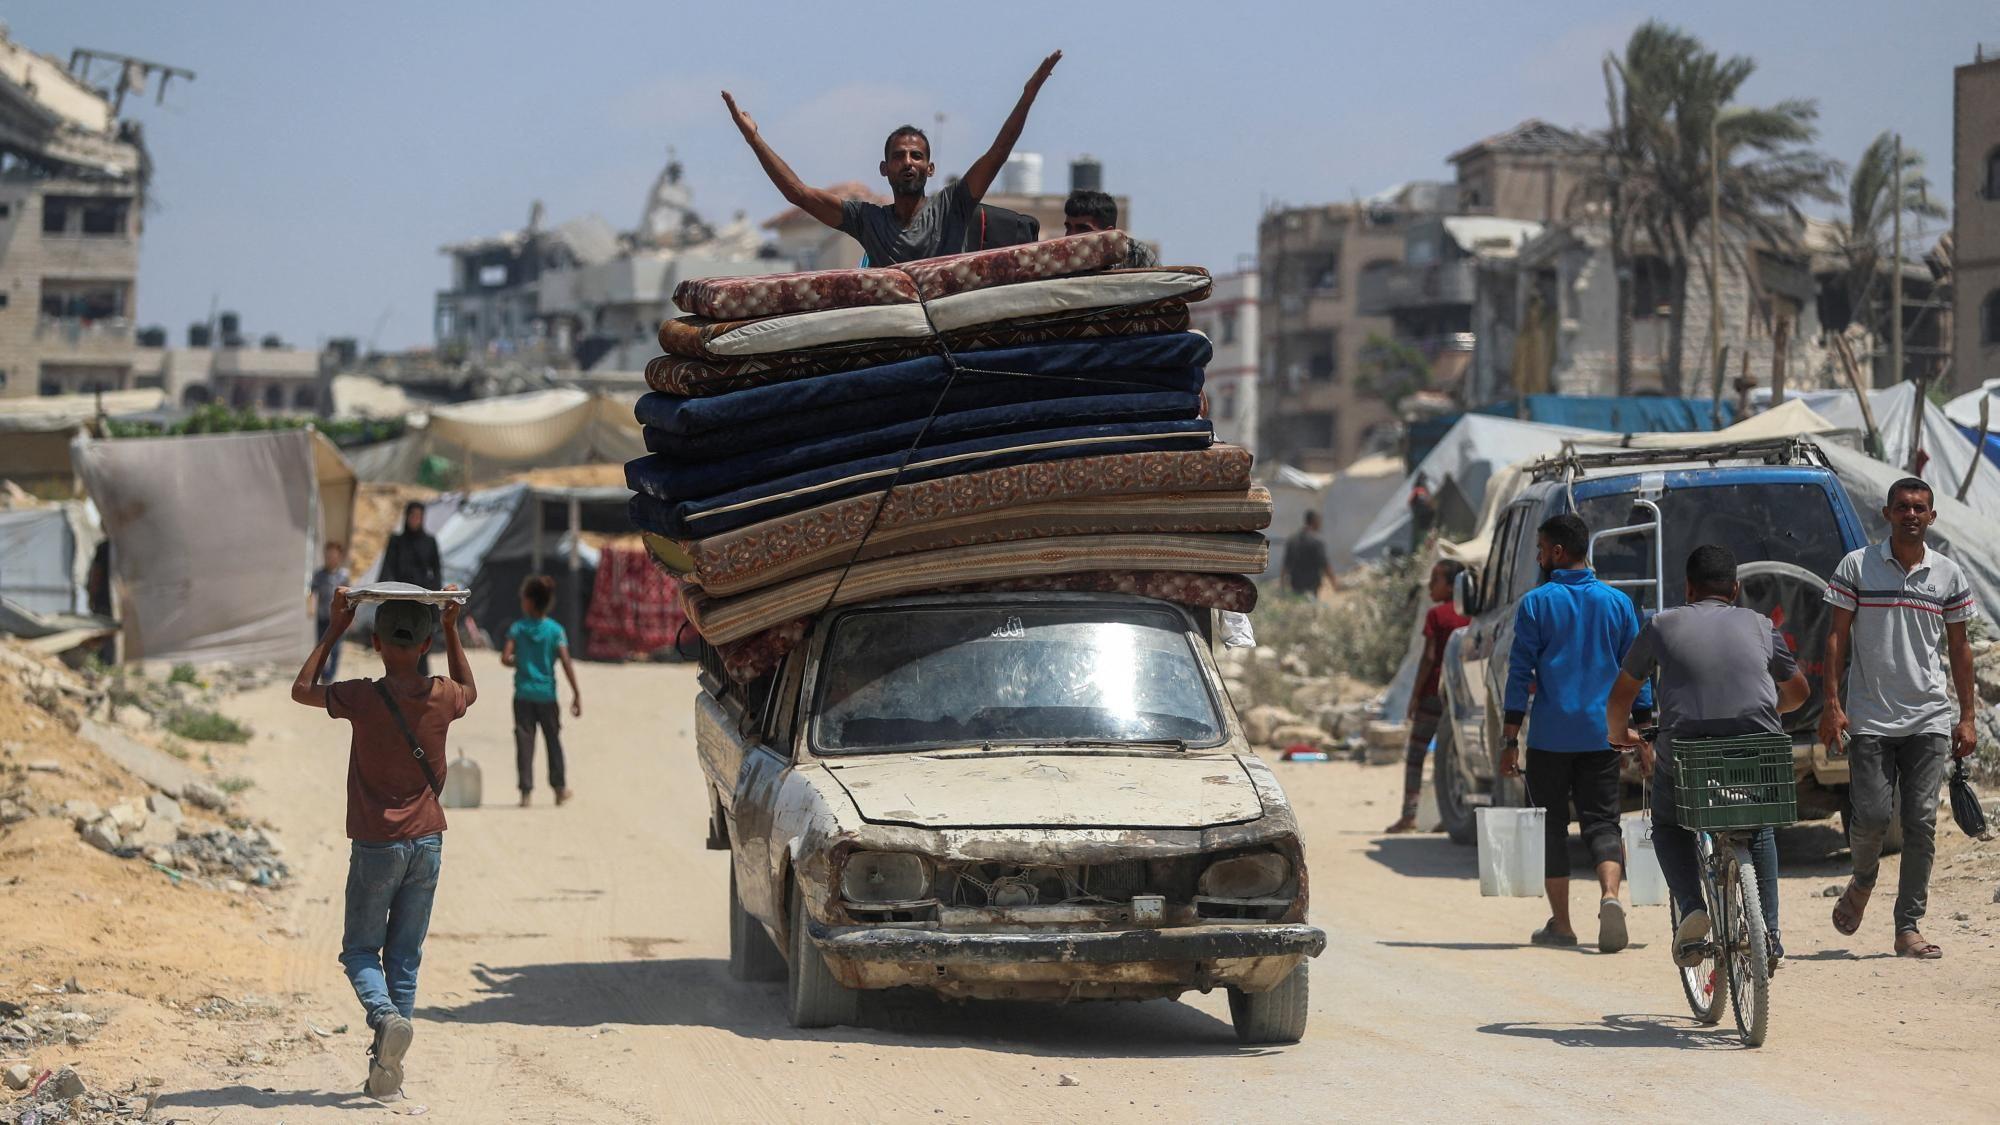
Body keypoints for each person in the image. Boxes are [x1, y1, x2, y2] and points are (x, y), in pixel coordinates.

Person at [290, 589, 476, 1100]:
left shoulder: (362, 696)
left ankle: (385, 1017)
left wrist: (332, 628)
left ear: (374, 643)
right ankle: (386, 1074)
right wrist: (455, 627)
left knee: (358, 951)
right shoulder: (442, 695)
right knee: (404, 960)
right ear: (425, 644)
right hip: (428, 843)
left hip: (376, 845)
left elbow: (302, 688)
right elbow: (470, 688)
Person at [1605, 545, 1810, 969]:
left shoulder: (1661, 624)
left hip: (1687, 748)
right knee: (1759, 825)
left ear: (1688, 587)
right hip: (1757, 744)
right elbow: (1799, 693)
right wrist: (1769, 710)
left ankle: (1691, 904)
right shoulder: (1759, 625)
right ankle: (1769, 932)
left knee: (1667, 824)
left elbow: (1621, 695)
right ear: (1735, 589)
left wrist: (1619, 735)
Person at [1820, 478, 1980, 959]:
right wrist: (1832, 703)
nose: (1911, 514)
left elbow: (1960, 647)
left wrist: (1967, 716)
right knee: (1869, 817)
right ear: (1887, 513)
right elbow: (1835, 639)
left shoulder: (1948, 575)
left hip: (1929, 717)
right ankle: (1864, 880)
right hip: (1869, 717)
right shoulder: (1857, 566)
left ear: (1932, 517)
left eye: (1920, 508)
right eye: (1903, 507)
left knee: (1922, 822)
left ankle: (1908, 926)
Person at [721, 51, 1062, 266]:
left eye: (917, 156)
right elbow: (798, 193)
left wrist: (1027, 97)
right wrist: (754, 138)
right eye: (899, 157)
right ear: (884, 169)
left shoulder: (952, 205)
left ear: (930, 168)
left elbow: (998, 152)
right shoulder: (866, 220)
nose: (908, 162)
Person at [1499, 513, 1649, 952]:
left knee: (1552, 828)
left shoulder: (1536, 604)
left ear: (1559, 552)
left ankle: (1562, 925)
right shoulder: (1618, 604)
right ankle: (1609, 896)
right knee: (1602, 821)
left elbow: (1518, 673)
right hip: (1603, 735)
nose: (1539, 556)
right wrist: (1643, 729)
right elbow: (1637, 674)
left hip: (1549, 737)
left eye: (1542, 549)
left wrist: (1510, 739)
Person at [1386, 560, 1469, 833]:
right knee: (1455, 757)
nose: (1431, 586)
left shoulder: (1437, 615)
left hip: (1434, 693)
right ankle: (1454, 813)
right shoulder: (1470, 614)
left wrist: (1415, 695)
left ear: (1451, 585)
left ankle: (1409, 815)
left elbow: (1429, 657)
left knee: (1417, 754)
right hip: (1461, 695)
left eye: (1436, 580)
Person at [502, 576, 582, 808]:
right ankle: (559, 789)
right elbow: (566, 662)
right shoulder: (555, 630)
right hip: (547, 696)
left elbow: (505, 658)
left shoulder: (517, 629)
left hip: (523, 695)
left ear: (528, 602)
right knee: (553, 740)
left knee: (524, 742)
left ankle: (525, 793)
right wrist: (577, 693)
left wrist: (521, 662)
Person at [379, 502, 443, 676]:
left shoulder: (430, 542)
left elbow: (436, 572)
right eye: (412, 515)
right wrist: (382, 593)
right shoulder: (397, 541)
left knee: (421, 640)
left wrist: (436, 600)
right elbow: (387, 567)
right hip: (400, 598)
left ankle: (421, 682)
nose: (415, 519)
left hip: (423, 599)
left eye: (419, 516)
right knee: (397, 640)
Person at [1061, 189, 1158, 266]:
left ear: (1109, 235)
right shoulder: (1057, 259)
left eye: (1083, 229)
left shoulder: (1136, 255)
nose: (1071, 236)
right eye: (1068, 228)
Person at [310, 542, 351, 684]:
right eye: (328, 555)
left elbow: (350, 597)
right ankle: (323, 674)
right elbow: (313, 592)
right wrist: (311, 607)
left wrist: (350, 616)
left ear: (339, 557)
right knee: (321, 647)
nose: (331, 558)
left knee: (336, 649)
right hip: (322, 616)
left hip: (338, 617)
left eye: (334, 556)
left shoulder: (343, 575)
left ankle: (330, 676)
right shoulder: (319, 575)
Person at [1280, 511, 1337, 599]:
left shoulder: (1292, 540)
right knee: (1311, 608)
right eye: (1319, 521)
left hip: (1296, 585)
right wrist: (1334, 583)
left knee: (1299, 607)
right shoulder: (1317, 541)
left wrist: (1282, 587)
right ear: (1314, 521)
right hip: (1312, 586)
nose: (1320, 525)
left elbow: (1285, 566)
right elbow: (1325, 565)